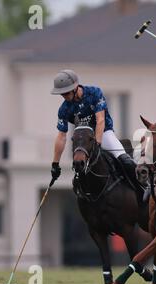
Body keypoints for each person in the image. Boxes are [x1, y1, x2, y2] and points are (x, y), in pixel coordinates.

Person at [50, 69, 144, 202]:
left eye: (66, 92)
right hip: (82, 140)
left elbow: (100, 120)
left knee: (124, 160)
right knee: (78, 173)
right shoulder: (64, 109)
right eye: (61, 94)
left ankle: (145, 190)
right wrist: (55, 163)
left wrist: (97, 143)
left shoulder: (94, 93)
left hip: (104, 133)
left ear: (75, 87)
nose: (64, 96)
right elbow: (61, 136)